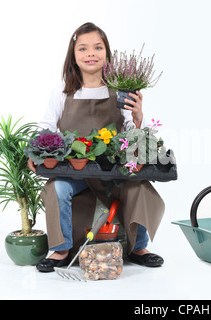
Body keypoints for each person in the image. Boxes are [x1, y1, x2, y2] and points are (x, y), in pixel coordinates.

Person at [28, 22, 165, 272]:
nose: (90, 53)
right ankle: (61, 249)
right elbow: (45, 129)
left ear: (107, 53)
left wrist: (137, 114)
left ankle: (139, 247)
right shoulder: (62, 93)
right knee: (56, 186)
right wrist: (35, 152)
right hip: (76, 173)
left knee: (140, 185)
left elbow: (135, 133)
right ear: (74, 55)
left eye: (97, 47)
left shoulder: (120, 92)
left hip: (113, 173)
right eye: (83, 48)